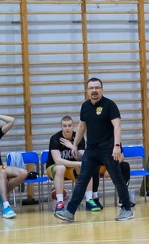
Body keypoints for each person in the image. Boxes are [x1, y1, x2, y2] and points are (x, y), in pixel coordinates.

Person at [54, 78, 133, 222]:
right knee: (82, 180)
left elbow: (117, 126)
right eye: (91, 88)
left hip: (108, 149)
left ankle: (127, 209)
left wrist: (117, 146)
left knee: (117, 179)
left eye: (97, 87)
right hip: (91, 150)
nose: (94, 90)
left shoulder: (110, 105)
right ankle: (70, 212)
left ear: (102, 89)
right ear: (87, 90)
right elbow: (82, 126)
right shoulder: (85, 106)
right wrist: (75, 145)